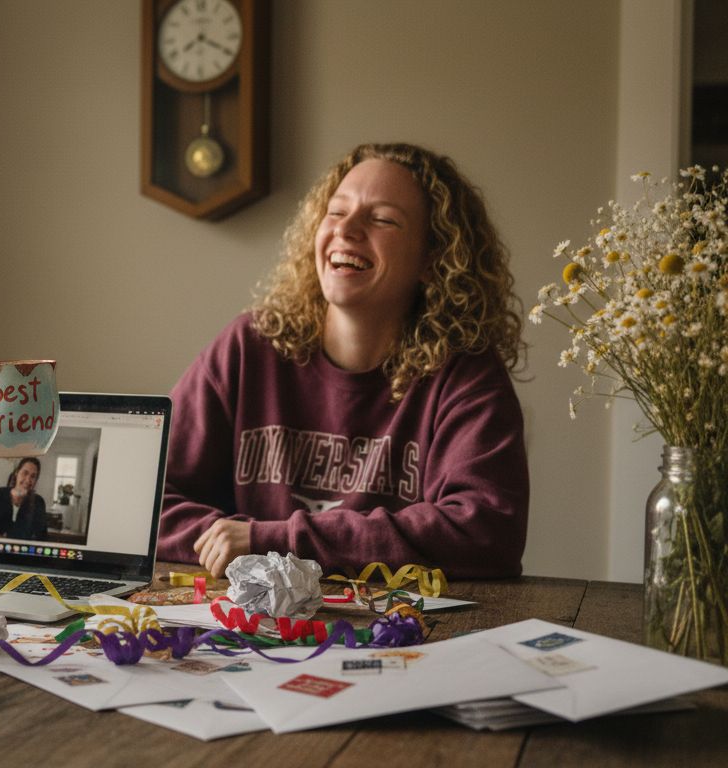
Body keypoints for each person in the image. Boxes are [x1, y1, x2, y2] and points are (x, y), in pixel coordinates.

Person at [158, 142, 528, 580]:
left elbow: (488, 530)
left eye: (383, 219)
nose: (346, 230)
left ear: (433, 258)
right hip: (249, 626)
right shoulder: (248, 347)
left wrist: (274, 541)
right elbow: (145, 496)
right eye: (335, 212)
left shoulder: (464, 372)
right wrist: (227, 542)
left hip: (403, 635)